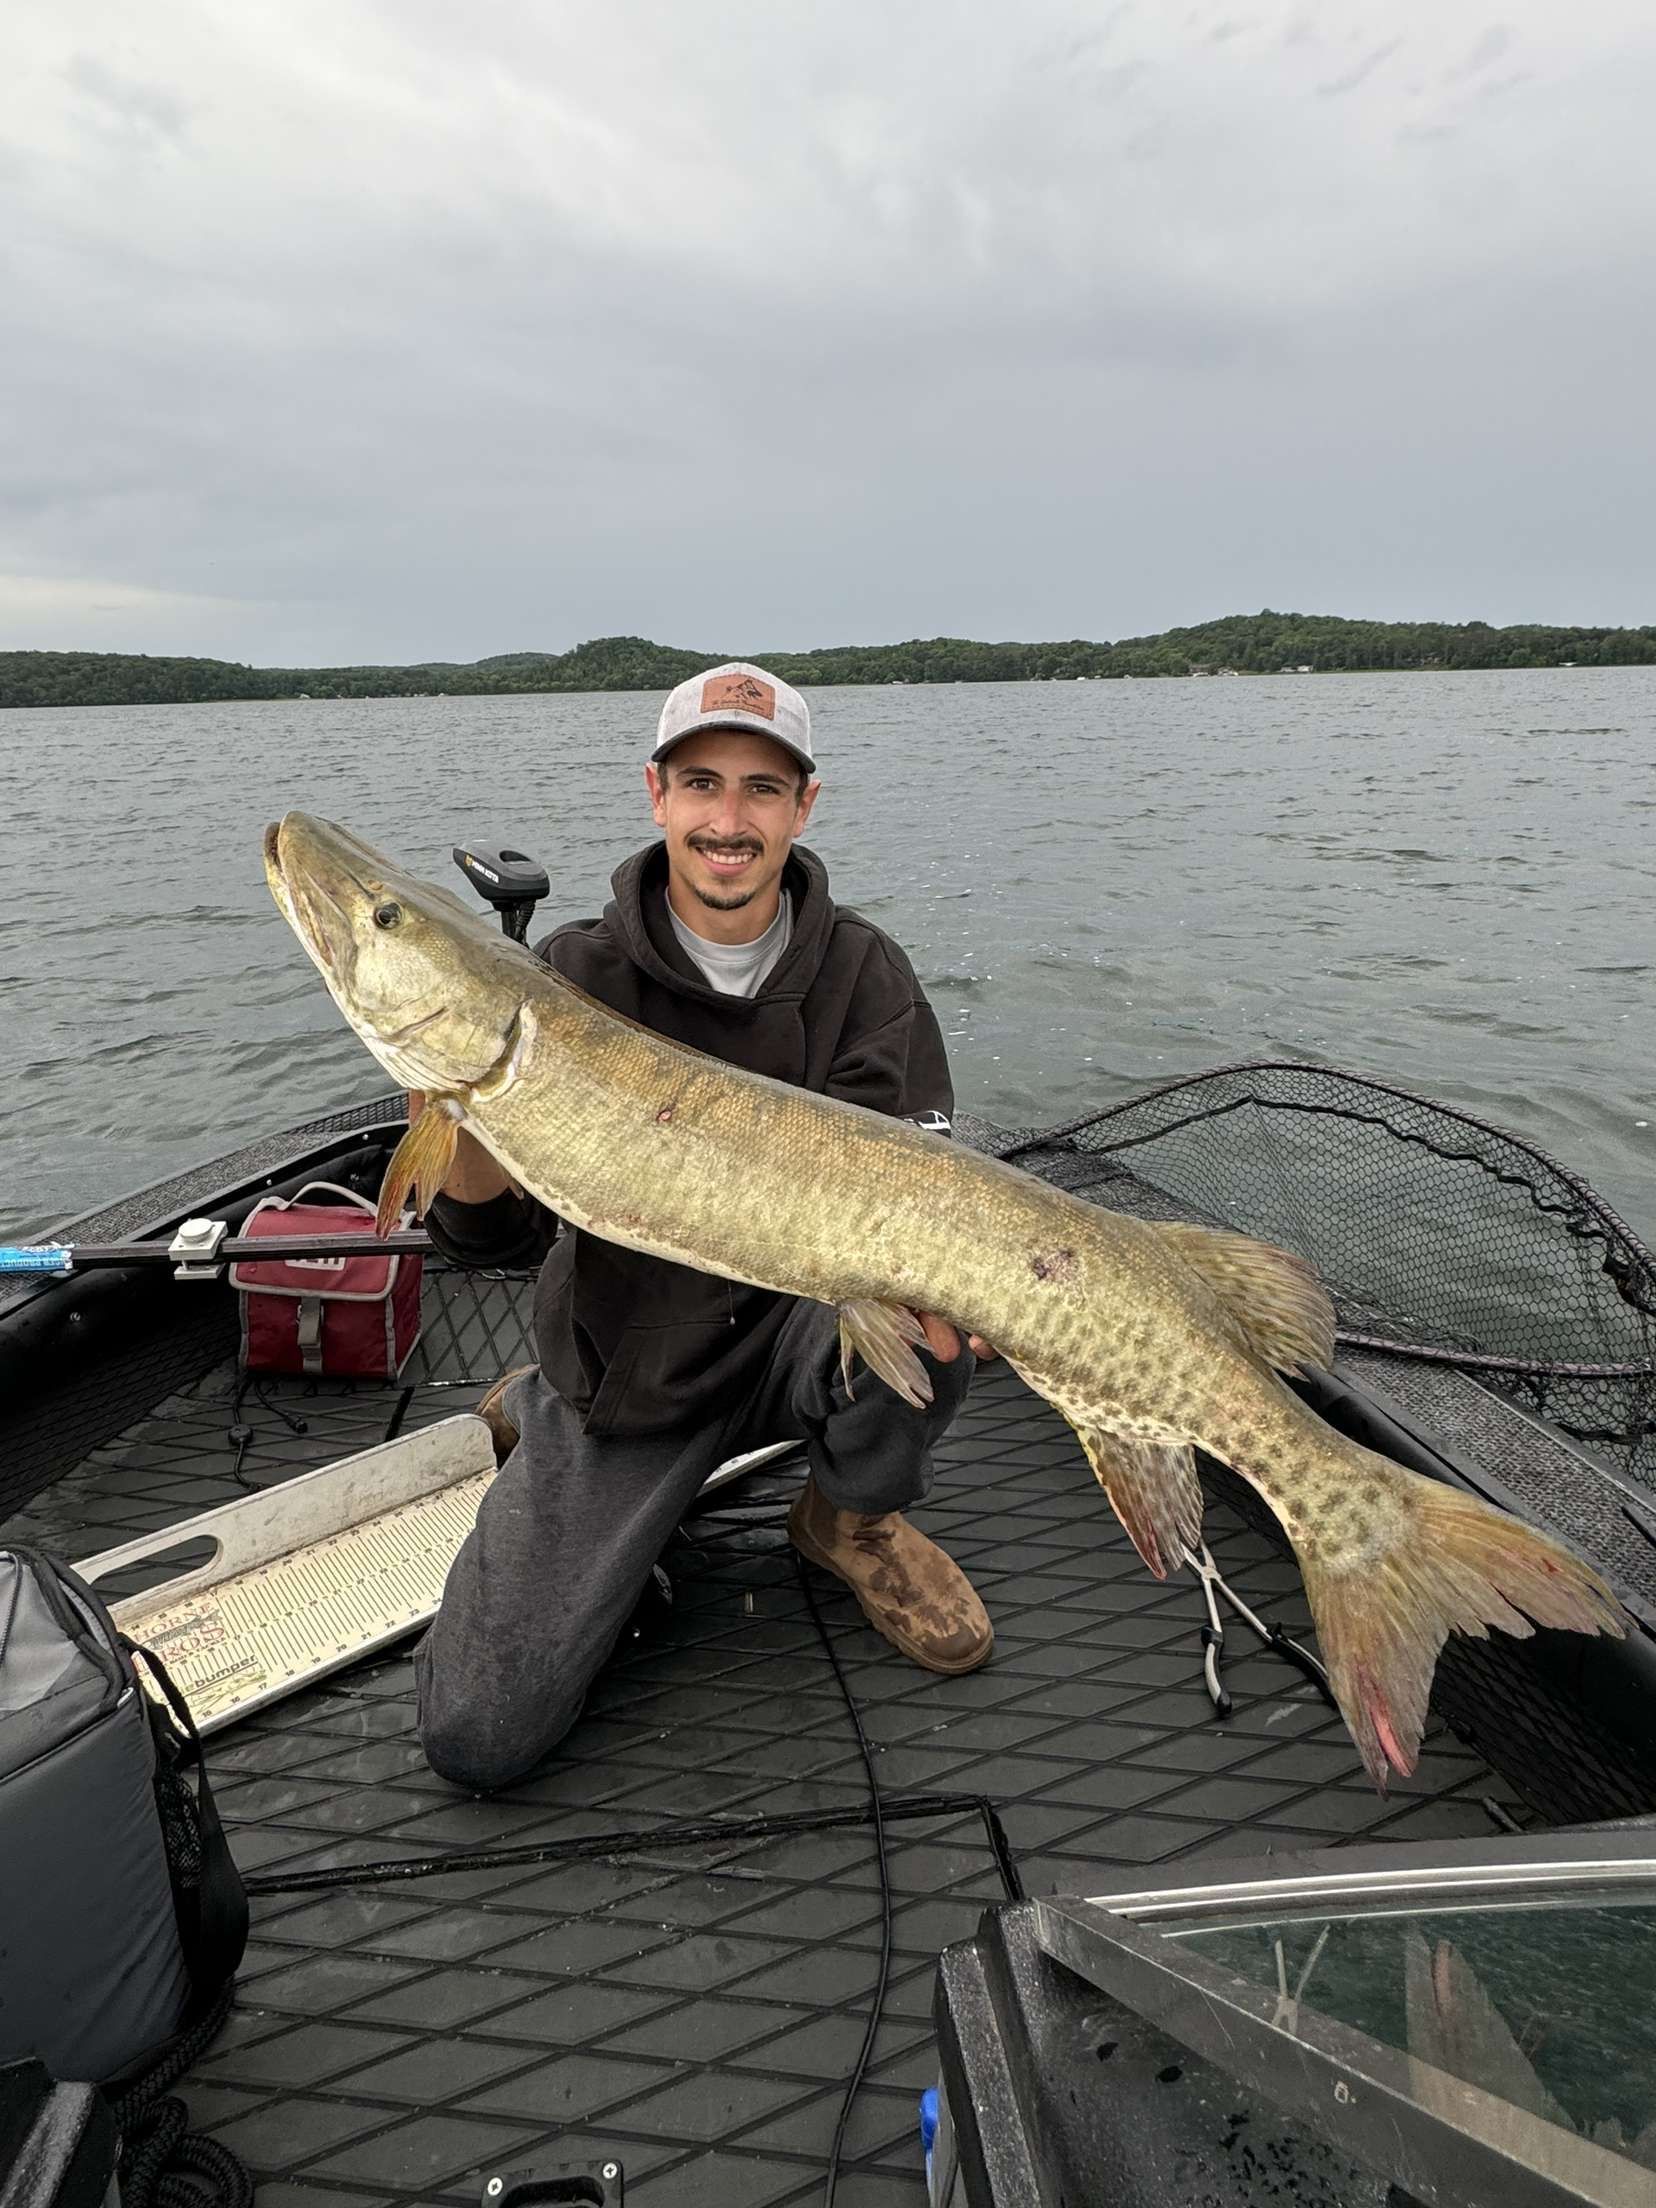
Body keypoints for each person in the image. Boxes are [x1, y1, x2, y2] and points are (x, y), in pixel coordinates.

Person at [413, 662, 995, 1790]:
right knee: (479, 1734)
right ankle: (546, 1412)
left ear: (803, 807)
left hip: (797, 1335)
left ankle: (848, 1519)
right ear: (657, 793)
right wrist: (460, 1107)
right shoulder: (569, 977)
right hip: (632, 1366)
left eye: (762, 791)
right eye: (701, 783)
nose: (728, 821)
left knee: (931, 1335)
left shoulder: (869, 977)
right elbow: (486, 1248)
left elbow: (920, 1200)